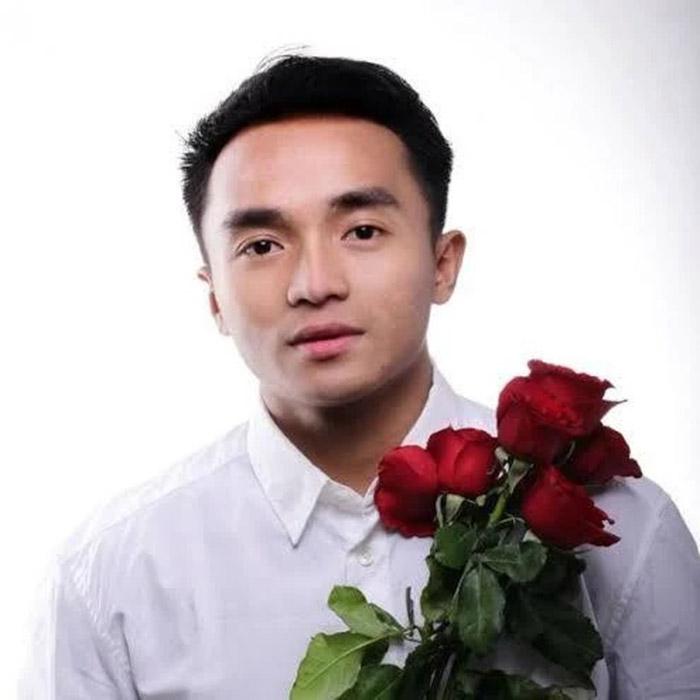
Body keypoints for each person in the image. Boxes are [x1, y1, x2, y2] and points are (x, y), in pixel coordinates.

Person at [19, 52, 700, 699]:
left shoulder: (621, 530)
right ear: (215, 297)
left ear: (442, 263)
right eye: (262, 245)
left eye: (362, 231)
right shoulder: (109, 579)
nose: (315, 284)